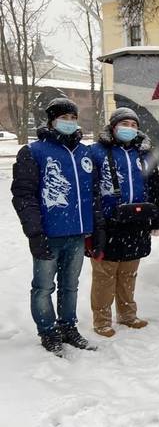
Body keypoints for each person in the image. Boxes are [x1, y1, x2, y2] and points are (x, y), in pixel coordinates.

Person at [11, 97, 98, 356]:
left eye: (73, 118)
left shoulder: (84, 153)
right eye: (64, 118)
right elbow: (24, 195)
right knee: (44, 287)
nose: (69, 123)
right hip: (48, 234)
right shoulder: (34, 152)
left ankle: (68, 327)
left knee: (70, 286)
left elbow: (91, 195)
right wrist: (34, 232)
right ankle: (48, 331)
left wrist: (95, 229)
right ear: (51, 121)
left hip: (77, 234)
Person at [87, 108, 159, 337]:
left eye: (133, 124)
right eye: (124, 124)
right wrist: (95, 218)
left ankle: (127, 314)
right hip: (109, 222)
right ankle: (101, 320)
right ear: (113, 126)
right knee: (105, 274)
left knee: (129, 272)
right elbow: (89, 188)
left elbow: (155, 187)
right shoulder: (96, 152)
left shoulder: (144, 153)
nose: (129, 128)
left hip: (137, 221)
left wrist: (158, 218)